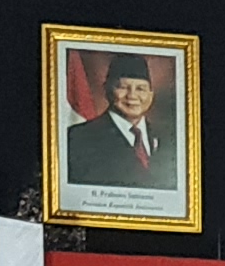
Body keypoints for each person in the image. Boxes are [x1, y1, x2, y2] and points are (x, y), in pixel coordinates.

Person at [65, 55, 179, 190]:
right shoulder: (78, 137)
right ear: (107, 90)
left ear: (151, 95)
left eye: (140, 89)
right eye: (123, 87)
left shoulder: (169, 139)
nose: (132, 96)